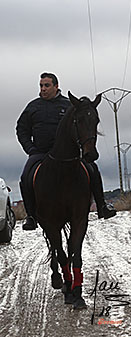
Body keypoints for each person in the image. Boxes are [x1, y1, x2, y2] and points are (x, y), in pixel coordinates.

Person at [16, 72, 116, 230]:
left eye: (47, 85)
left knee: (93, 170)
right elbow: (21, 130)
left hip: (68, 154)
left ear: (56, 86)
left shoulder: (68, 105)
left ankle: (102, 206)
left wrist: (80, 147)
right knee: (25, 177)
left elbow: (81, 127)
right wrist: (31, 149)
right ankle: (31, 216)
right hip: (40, 153)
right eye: (41, 86)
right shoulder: (32, 107)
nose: (43, 89)